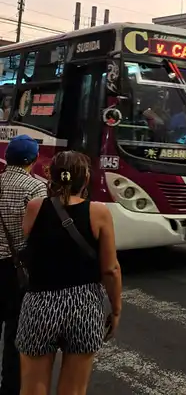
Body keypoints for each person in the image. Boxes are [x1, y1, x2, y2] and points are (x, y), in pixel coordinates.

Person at [17, 151, 122, 395]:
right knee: (73, 390)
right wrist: (116, 309)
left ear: (50, 176)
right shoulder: (99, 212)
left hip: (40, 303)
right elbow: (111, 269)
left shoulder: (35, 207)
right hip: (84, 305)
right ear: (86, 178)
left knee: (32, 389)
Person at [0, 136, 47, 395]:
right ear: (33, 160)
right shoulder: (36, 188)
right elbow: (40, 234)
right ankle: (9, 388)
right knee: (14, 332)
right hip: (15, 269)